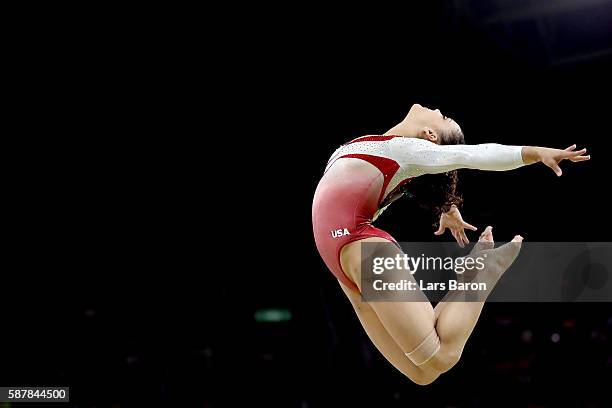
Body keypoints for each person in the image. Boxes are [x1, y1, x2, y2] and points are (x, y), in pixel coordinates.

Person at [311, 104, 590, 385]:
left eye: (443, 117)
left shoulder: (405, 149)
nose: (437, 108)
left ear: (430, 134)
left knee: (441, 356)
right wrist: (445, 206)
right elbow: (403, 183)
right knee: (422, 373)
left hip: (361, 248)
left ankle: (484, 271)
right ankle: (471, 275)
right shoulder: (388, 153)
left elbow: (476, 154)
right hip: (342, 261)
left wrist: (534, 153)